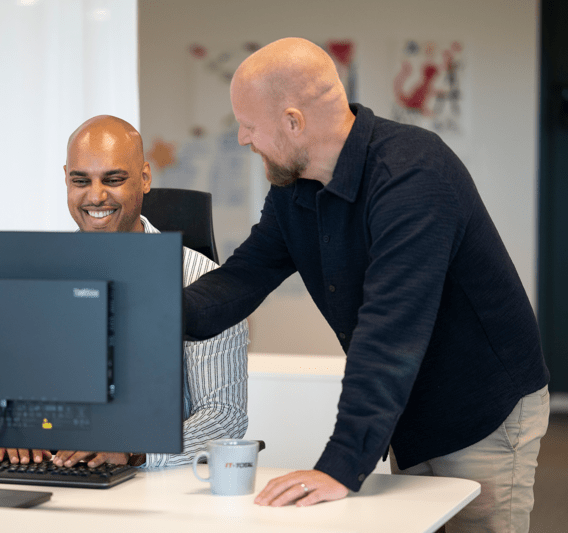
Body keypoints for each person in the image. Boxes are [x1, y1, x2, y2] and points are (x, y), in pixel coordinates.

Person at [182, 37, 549, 533]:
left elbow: (390, 329)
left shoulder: (413, 175)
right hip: (410, 405)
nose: (244, 139)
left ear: (293, 122)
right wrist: (146, 312)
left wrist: (341, 465)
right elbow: (241, 279)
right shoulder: (295, 190)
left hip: (482, 408)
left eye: (248, 125)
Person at [0, 115, 249, 469]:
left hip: (151, 488)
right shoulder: (32, 278)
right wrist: (7, 429)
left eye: (113, 180)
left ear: (145, 178)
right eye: (80, 181)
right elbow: (1, 392)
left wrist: (132, 450)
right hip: (51, 475)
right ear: (65, 179)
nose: (96, 196)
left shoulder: (202, 281)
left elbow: (224, 418)